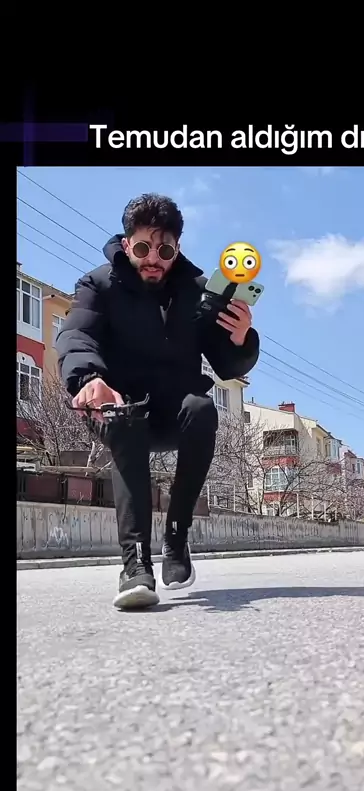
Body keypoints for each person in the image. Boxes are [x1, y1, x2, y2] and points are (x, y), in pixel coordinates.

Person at [57, 193, 260, 610]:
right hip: (114, 403)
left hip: (173, 408)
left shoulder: (199, 292)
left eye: (164, 250)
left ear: (177, 248)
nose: (154, 259)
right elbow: (77, 335)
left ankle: (176, 536)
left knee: (202, 410)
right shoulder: (97, 285)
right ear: (127, 243)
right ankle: (135, 565)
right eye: (143, 248)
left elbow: (226, 364)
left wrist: (241, 338)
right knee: (124, 419)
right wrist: (89, 378)